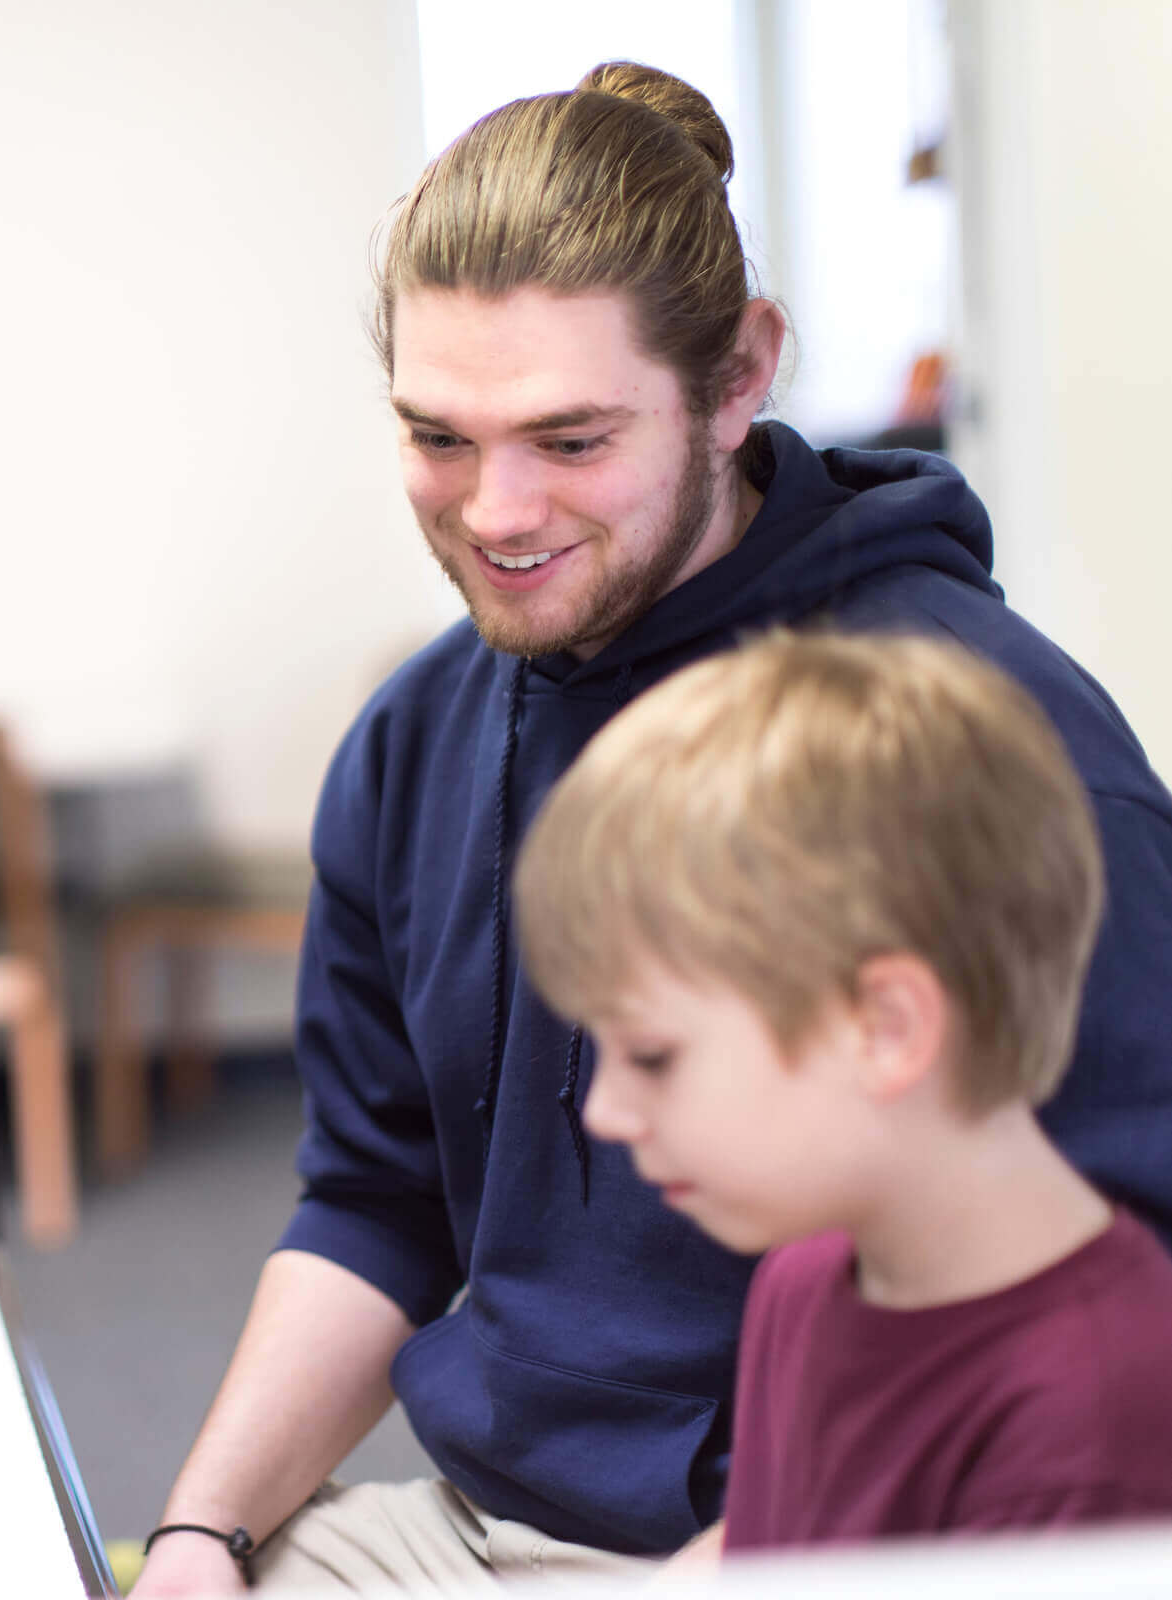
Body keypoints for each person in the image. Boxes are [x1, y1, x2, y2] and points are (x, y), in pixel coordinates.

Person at [131, 58, 1172, 1598]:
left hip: (835, 1542)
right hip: (462, 1520)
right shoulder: (417, 738)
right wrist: (200, 1537)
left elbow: (1108, 1301)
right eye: (439, 438)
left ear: (740, 375)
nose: (493, 513)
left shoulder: (982, 746)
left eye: (568, 440)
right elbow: (374, 1195)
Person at [515, 628, 1172, 1556]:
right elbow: (765, 1550)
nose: (602, 1113)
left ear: (885, 1027)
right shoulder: (806, 1277)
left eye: (653, 1056)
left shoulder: (1098, 1422)